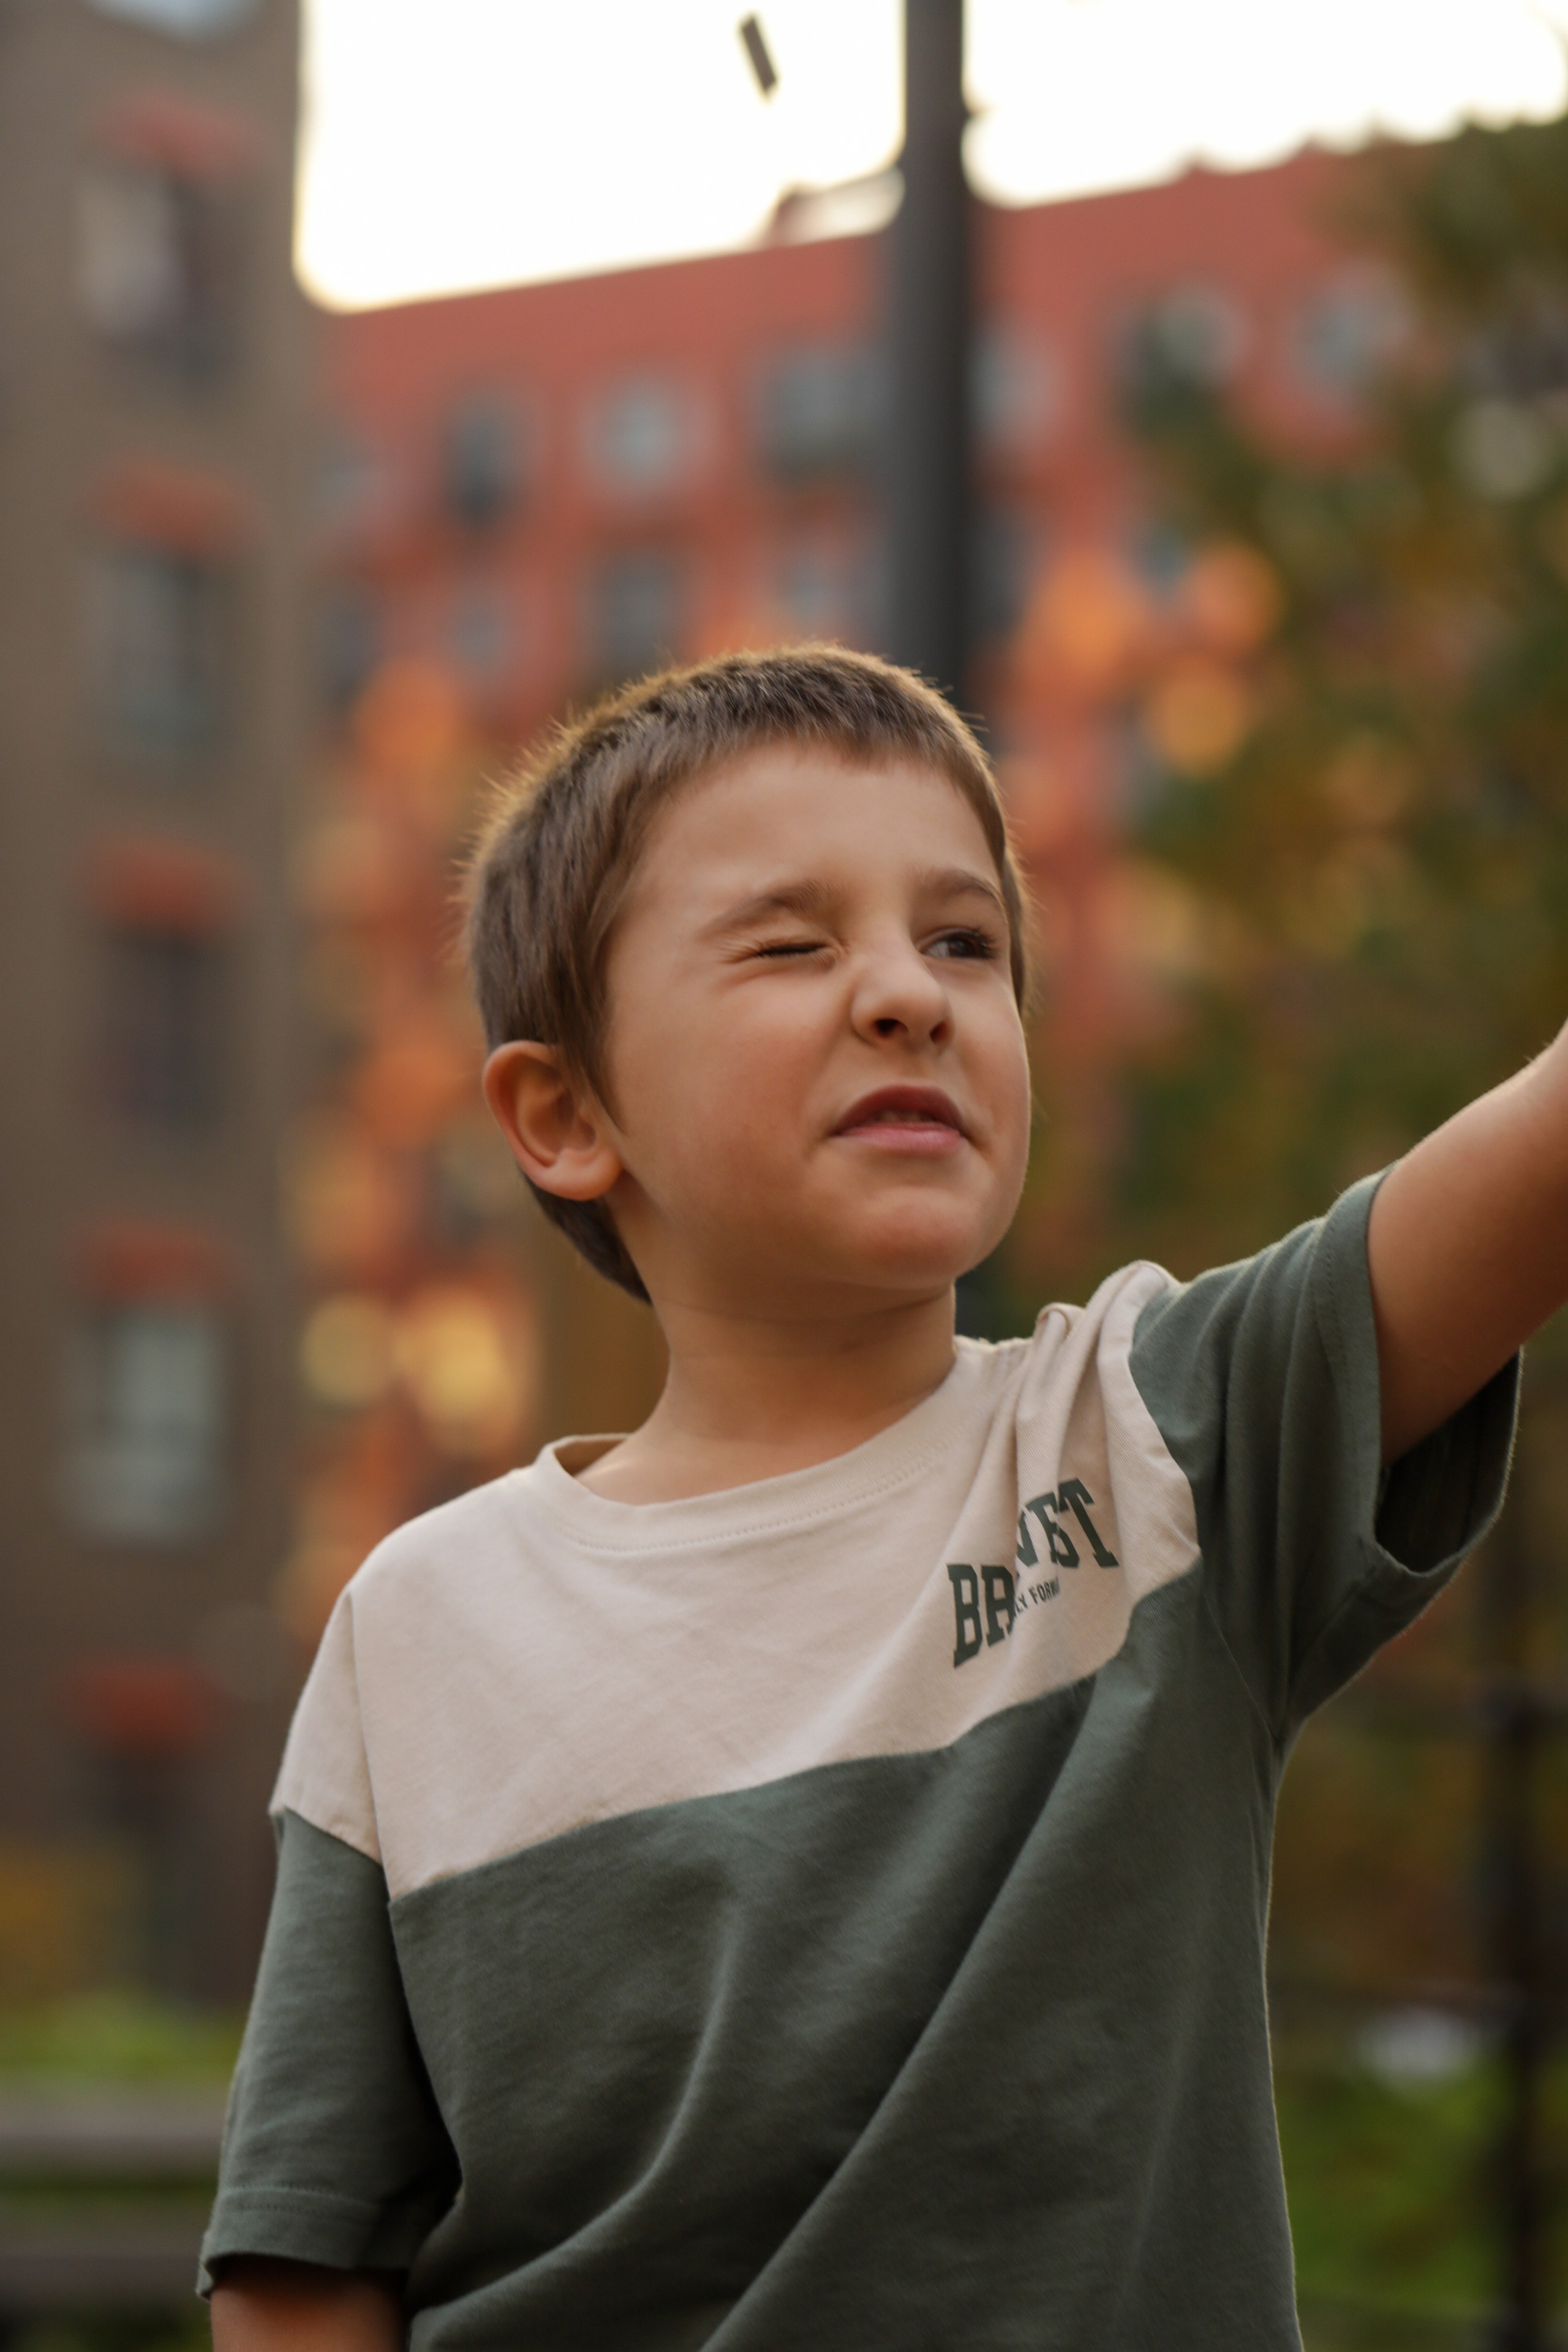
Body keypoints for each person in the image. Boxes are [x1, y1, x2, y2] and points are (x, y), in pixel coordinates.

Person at [206, 647, 1561, 2351]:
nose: (909, 993)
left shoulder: (1148, 1449)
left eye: (965, 943)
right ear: (564, 1113)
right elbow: (305, 2258)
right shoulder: (419, 1626)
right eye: (790, 944)